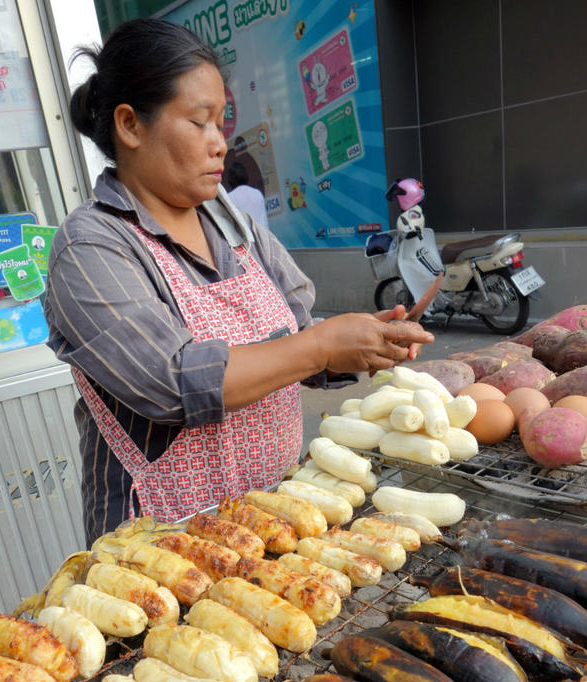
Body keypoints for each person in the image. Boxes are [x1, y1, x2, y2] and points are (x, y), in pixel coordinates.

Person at [44, 18, 433, 547]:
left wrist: (360, 343)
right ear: (130, 125)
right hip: (162, 547)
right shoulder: (92, 245)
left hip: (276, 516)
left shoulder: (234, 225)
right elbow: (173, 382)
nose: (220, 145)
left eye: (221, 123)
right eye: (199, 122)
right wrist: (319, 346)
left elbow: (295, 336)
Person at [226, 161, 269, 229]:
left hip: (245, 238)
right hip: (262, 236)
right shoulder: (257, 193)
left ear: (232, 178)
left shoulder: (229, 198)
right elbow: (264, 220)